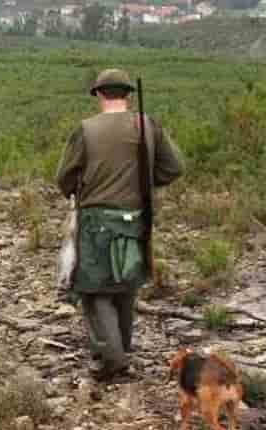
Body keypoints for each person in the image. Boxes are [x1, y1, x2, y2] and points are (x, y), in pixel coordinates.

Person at [56, 68, 185, 382]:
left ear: (99, 94)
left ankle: (112, 359)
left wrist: (78, 189)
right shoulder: (147, 125)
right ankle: (120, 350)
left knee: (94, 289)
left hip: (95, 221)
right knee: (126, 286)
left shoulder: (86, 130)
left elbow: (64, 178)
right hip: (137, 219)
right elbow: (174, 168)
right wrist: (143, 183)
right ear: (128, 94)